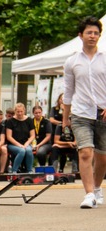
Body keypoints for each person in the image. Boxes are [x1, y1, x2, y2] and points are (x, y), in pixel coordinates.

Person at [63, 16, 106, 208]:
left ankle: (97, 187)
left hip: (102, 113)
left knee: (102, 157)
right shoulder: (72, 61)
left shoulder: (105, 58)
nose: (93, 36)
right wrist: (65, 120)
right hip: (81, 114)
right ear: (81, 35)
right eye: (89, 32)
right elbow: (68, 92)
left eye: (96, 33)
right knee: (85, 153)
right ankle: (88, 194)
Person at [6, 103, 35, 173]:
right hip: (13, 144)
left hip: (25, 143)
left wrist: (26, 144)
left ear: (24, 111)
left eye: (21, 111)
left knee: (28, 150)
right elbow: (9, 137)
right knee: (21, 151)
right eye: (18, 111)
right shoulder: (10, 121)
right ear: (15, 111)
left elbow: (32, 135)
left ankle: (29, 170)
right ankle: (14, 170)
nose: (19, 113)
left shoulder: (29, 120)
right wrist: (19, 145)